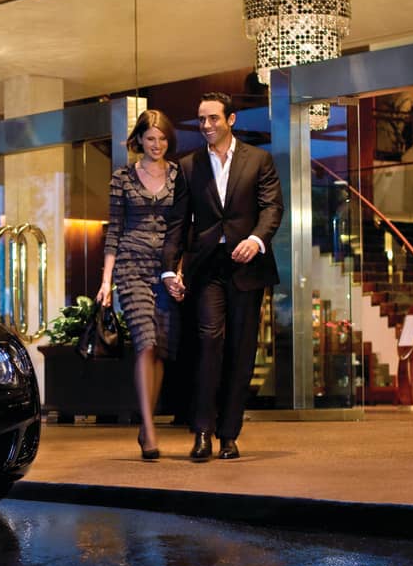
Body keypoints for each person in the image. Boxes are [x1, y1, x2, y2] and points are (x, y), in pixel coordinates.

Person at [162, 92, 284, 461]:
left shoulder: (259, 160)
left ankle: (229, 434)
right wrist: (170, 267)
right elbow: (178, 223)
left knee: (241, 350)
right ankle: (202, 431)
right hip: (207, 266)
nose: (206, 126)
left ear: (230, 120)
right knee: (208, 342)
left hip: (247, 265)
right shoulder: (188, 166)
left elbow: (272, 208)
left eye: (213, 118)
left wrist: (256, 240)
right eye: (201, 120)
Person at [97, 110, 180, 461]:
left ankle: (146, 425)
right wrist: (106, 280)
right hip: (130, 266)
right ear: (139, 140)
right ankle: (150, 428)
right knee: (145, 342)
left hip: (165, 269)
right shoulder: (122, 177)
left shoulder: (180, 175)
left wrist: (179, 271)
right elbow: (113, 230)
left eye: (162, 138)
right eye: (150, 138)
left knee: (160, 348)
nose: (156, 144)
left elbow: (183, 228)